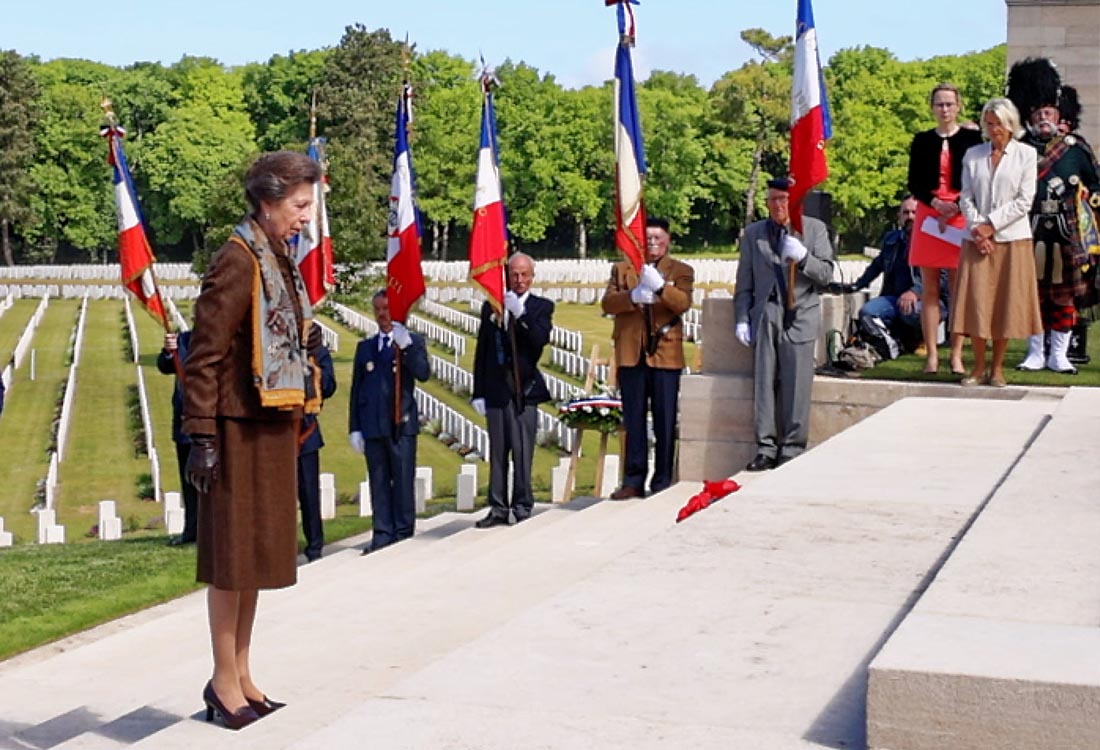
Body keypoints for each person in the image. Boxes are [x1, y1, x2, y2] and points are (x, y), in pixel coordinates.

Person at [182, 150, 322, 730]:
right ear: (267, 201)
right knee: (231, 562)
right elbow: (205, 356)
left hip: (269, 427)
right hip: (234, 431)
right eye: (298, 206)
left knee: (258, 559)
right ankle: (221, 678)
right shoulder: (238, 261)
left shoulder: (280, 260)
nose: (305, 218)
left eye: (308, 206)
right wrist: (201, 436)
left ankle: (242, 673)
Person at [1006, 58, 1100, 374]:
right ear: (1029, 115)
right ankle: (1035, 352)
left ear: (1060, 115)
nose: (1044, 117)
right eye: (1038, 112)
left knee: (1064, 298)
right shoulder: (1018, 148)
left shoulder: (1075, 149)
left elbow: (1096, 183)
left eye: (1049, 111)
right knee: (1032, 297)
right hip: (1029, 231)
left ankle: (1059, 355)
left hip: (1066, 232)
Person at [734, 177, 835, 471]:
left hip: (801, 311)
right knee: (764, 382)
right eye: (773, 200)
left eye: (783, 199)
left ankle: (792, 447)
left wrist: (803, 258)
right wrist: (742, 317)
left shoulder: (814, 230)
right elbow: (745, 281)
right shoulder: (755, 234)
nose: (778, 205)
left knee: (797, 384)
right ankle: (765, 447)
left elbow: (826, 274)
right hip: (768, 312)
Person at [601, 217, 694, 498]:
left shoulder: (681, 270)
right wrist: (633, 296)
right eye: (648, 238)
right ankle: (633, 479)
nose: (653, 243)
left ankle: (663, 479)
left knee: (665, 420)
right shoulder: (622, 269)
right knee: (634, 419)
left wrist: (660, 288)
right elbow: (608, 303)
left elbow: (683, 302)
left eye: (658, 238)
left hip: (665, 354)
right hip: (632, 354)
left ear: (668, 242)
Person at [953, 98, 1042, 387]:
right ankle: (978, 367)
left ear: (1010, 124)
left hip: (1012, 240)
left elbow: (1024, 200)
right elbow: (966, 196)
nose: (994, 130)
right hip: (976, 240)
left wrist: (992, 225)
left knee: (1004, 303)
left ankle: (998, 368)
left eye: (998, 124)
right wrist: (978, 229)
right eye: (989, 124)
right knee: (978, 302)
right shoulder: (973, 155)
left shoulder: (1026, 155)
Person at [907, 83, 985, 375]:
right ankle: (931, 355)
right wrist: (936, 203)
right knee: (929, 289)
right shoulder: (922, 140)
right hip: (930, 214)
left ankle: (956, 355)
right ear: (932, 107)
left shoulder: (972, 139)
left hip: (961, 213)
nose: (944, 110)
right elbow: (914, 182)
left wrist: (956, 205)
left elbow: (978, 178)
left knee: (957, 288)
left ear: (958, 106)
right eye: (939, 104)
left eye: (949, 104)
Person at [472, 253, 554, 524]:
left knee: (521, 452)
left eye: (524, 275)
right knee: (498, 453)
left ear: (532, 276)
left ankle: (522, 505)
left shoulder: (542, 307)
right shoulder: (492, 307)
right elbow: (483, 350)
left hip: (524, 390)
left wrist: (521, 315)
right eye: (514, 275)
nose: (519, 280)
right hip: (497, 390)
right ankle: (497, 507)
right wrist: (478, 391)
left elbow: (538, 340)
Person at [348, 290, 429, 551]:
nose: (383, 314)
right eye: (378, 309)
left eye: (387, 308)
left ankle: (404, 532)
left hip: (401, 425)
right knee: (379, 481)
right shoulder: (366, 348)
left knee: (403, 480)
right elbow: (357, 390)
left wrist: (406, 348)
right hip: (373, 426)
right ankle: (382, 532)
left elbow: (423, 373)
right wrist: (355, 428)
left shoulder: (411, 342)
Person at [843, 196, 944, 354]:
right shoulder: (891, 239)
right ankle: (893, 345)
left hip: (927, 300)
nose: (910, 216)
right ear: (899, 216)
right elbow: (877, 265)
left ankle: (922, 339)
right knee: (867, 312)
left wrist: (915, 292)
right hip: (894, 298)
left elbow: (942, 277)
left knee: (911, 311)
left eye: (914, 212)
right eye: (906, 213)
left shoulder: (935, 240)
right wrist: (857, 285)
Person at [298, 322, 336, 562]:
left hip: (305, 432)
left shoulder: (319, 353)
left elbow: (330, 387)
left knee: (309, 494)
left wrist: (313, 362)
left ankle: (314, 546)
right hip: (278, 430)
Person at [156, 331, 196, 546]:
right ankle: (192, 530)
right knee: (188, 482)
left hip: (212, 425)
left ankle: (214, 531)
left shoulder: (222, 341)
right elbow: (164, 366)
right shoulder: (183, 340)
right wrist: (168, 351)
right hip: (184, 424)